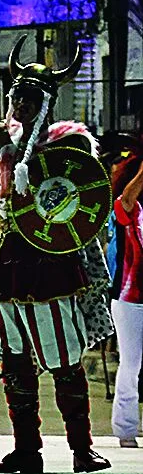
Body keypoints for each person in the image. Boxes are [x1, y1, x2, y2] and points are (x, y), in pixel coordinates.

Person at [0, 41, 114, 473]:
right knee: (14, 359)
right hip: (7, 257)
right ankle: (26, 449)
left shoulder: (70, 142)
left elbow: (81, 195)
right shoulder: (5, 136)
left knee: (63, 355)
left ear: (45, 102)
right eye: (16, 95)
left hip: (50, 256)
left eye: (28, 97)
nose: (18, 103)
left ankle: (82, 448)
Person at [109, 151, 143, 449]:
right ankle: (126, 429)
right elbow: (125, 203)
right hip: (130, 296)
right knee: (131, 363)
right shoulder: (130, 209)